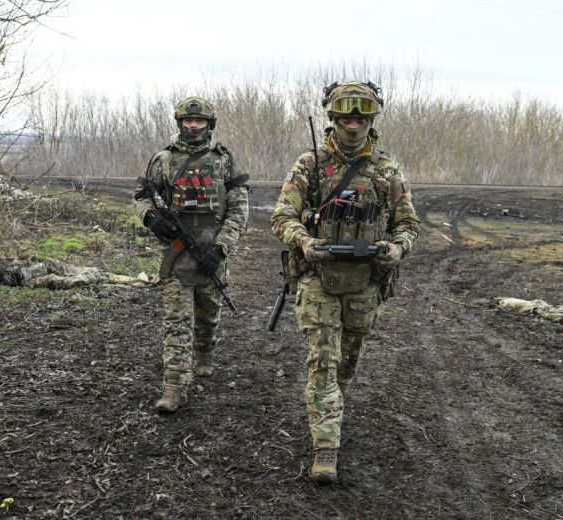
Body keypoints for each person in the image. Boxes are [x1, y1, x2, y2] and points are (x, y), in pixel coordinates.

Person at [270, 81, 420, 483]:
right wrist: (303, 241)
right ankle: (325, 451)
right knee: (323, 361)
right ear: (332, 118)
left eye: (360, 117)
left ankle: (331, 406)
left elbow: (409, 223)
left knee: (346, 362)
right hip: (318, 278)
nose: (353, 124)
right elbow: (281, 216)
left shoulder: (387, 171)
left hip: (365, 285)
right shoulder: (310, 164)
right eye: (345, 117)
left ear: (371, 120)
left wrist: (397, 248)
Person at [134, 96, 249, 413]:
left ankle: (205, 349)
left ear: (209, 124)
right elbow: (143, 196)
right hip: (176, 256)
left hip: (212, 253)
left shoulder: (224, 161)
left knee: (209, 315)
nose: (193, 126)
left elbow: (239, 209)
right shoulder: (163, 160)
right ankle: (174, 386)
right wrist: (150, 217)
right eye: (188, 120)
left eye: (199, 121)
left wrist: (222, 247)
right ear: (180, 122)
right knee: (176, 322)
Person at [0, 259, 151, 289]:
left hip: (97, 280)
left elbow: (143, 282)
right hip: (96, 272)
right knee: (51, 263)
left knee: (55, 280)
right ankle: (18, 275)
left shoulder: (143, 284)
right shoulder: (145, 279)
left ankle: (19, 282)